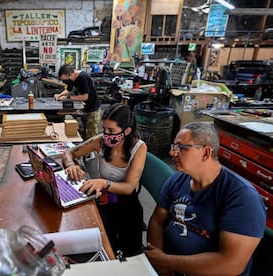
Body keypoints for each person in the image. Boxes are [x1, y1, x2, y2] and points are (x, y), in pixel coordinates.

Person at [145, 122, 266, 276]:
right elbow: (157, 220)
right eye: (173, 146)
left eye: (181, 147)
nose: (172, 153)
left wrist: (166, 261)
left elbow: (230, 264)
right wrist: (161, 265)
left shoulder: (242, 197)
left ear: (206, 152)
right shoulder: (178, 180)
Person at [62, 103, 147, 257]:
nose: (106, 134)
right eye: (104, 129)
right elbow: (69, 152)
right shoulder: (101, 141)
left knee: (128, 253)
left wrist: (103, 183)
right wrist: (70, 165)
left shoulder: (138, 147)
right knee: (101, 242)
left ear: (127, 131)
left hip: (127, 204)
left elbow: (128, 187)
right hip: (105, 199)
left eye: (111, 131)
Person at [55, 64, 101, 139]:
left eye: (66, 79)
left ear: (71, 74)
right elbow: (69, 89)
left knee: (92, 135)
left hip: (93, 109)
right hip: (84, 108)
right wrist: (59, 95)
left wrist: (67, 98)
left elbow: (85, 97)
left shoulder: (83, 78)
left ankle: (93, 150)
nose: (66, 81)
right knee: (84, 133)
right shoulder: (71, 78)